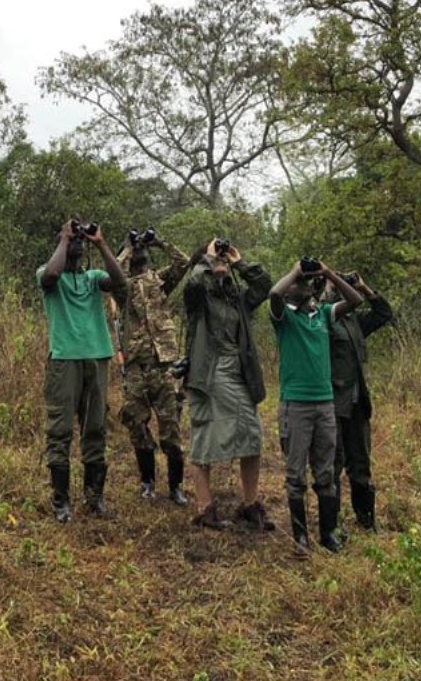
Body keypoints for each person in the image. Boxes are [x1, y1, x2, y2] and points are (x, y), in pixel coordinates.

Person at [181, 237, 276, 531]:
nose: (220, 262)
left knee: (252, 435)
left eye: (222, 259)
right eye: (216, 259)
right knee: (206, 435)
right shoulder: (199, 298)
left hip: (239, 371)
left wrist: (239, 262)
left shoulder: (236, 297)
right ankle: (204, 508)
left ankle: (249, 504)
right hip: (208, 373)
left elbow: (264, 288)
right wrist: (207, 261)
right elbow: (192, 286)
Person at [270, 260, 362, 555]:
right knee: (295, 474)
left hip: (325, 403)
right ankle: (300, 537)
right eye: (298, 283)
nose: (303, 285)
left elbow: (355, 300)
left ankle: (327, 534)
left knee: (325, 472)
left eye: (306, 282)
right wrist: (296, 271)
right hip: (295, 404)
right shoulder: (284, 318)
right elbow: (273, 294)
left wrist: (327, 273)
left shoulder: (323, 314)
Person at [37, 217, 126, 523]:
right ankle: (60, 500)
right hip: (64, 359)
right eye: (72, 239)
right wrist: (64, 238)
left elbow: (119, 282)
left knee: (95, 428)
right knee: (60, 430)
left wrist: (100, 243)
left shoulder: (92, 278)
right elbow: (50, 274)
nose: (77, 242)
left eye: (79, 240)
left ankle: (94, 497)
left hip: (97, 357)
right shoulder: (50, 276)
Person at [114, 228, 191, 505]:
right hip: (136, 366)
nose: (140, 251)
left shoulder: (159, 281)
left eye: (141, 249)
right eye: (139, 249)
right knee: (136, 423)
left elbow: (184, 263)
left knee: (170, 426)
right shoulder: (123, 288)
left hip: (164, 364)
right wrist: (126, 247)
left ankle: (176, 486)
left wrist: (158, 241)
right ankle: (147, 482)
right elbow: (114, 274)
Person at [323, 271, 393, 531]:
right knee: (333, 464)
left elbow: (384, 313)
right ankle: (332, 523)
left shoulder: (354, 322)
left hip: (357, 401)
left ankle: (365, 519)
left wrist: (364, 287)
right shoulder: (323, 318)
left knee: (361, 462)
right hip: (332, 402)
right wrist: (327, 286)